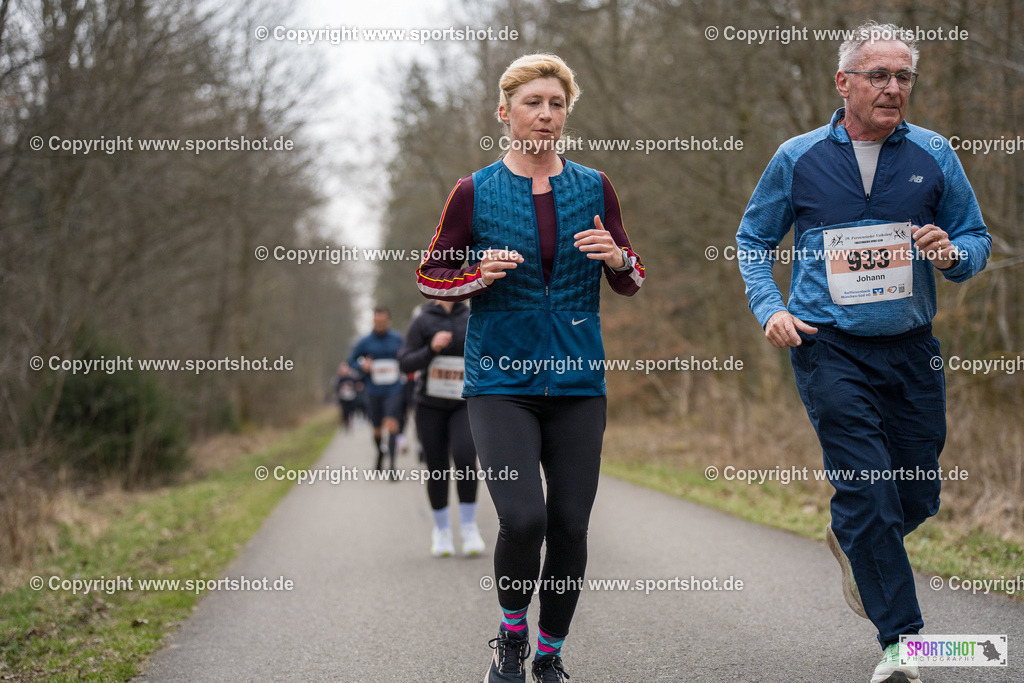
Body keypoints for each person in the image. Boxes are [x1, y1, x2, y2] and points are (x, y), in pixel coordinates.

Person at [735, 20, 990, 683]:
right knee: (870, 494)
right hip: (828, 348)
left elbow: (974, 236)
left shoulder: (934, 153)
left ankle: (853, 533)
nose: (893, 88)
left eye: (904, 76)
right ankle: (901, 644)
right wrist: (771, 308)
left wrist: (953, 254)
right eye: (878, 75)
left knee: (918, 494)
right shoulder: (798, 157)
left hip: (912, 349)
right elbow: (753, 239)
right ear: (843, 83)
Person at [416, 53, 644, 683]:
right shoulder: (474, 190)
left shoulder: (595, 187)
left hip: (578, 381)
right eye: (532, 103)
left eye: (556, 104)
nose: (545, 114)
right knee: (524, 519)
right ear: (505, 111)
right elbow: (431, 273)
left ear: (566, 114)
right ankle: (511, 636)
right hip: (500, 382)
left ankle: (549, 654)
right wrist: (474, 274)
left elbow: (631, 277)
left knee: (569, 525)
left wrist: (617, 258)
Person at [398, 300, 485, 557]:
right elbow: (405, 363)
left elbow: (490, 352)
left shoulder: (472, 315)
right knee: (437, 467)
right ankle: (442, 530)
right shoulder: (422, 320)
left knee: (465, 457)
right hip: (430, 406)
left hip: (463, 403)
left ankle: (468, 527)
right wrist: (430, 349)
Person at [347, 306, 405, 475]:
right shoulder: (365, 341)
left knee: (391, 423)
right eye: (377, 322)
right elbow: (351, 361)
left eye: (383, 321)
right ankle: (380, 452)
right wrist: (362, 365)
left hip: (393, 388)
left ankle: (392, 465)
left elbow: (407, 355)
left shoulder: (397, 339)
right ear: (373, 321)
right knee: (377, 428)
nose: (380, 325)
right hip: (373, 390)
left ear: (388, 321)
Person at [331, 362, 361, 430]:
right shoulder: (338, 378)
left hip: (352, 397)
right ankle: (346, 423)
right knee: (344, 411)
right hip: (343, 398)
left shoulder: (353, 377)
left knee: (352, 410)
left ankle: (351, 421)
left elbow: (358, 383)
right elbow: (335, 386)